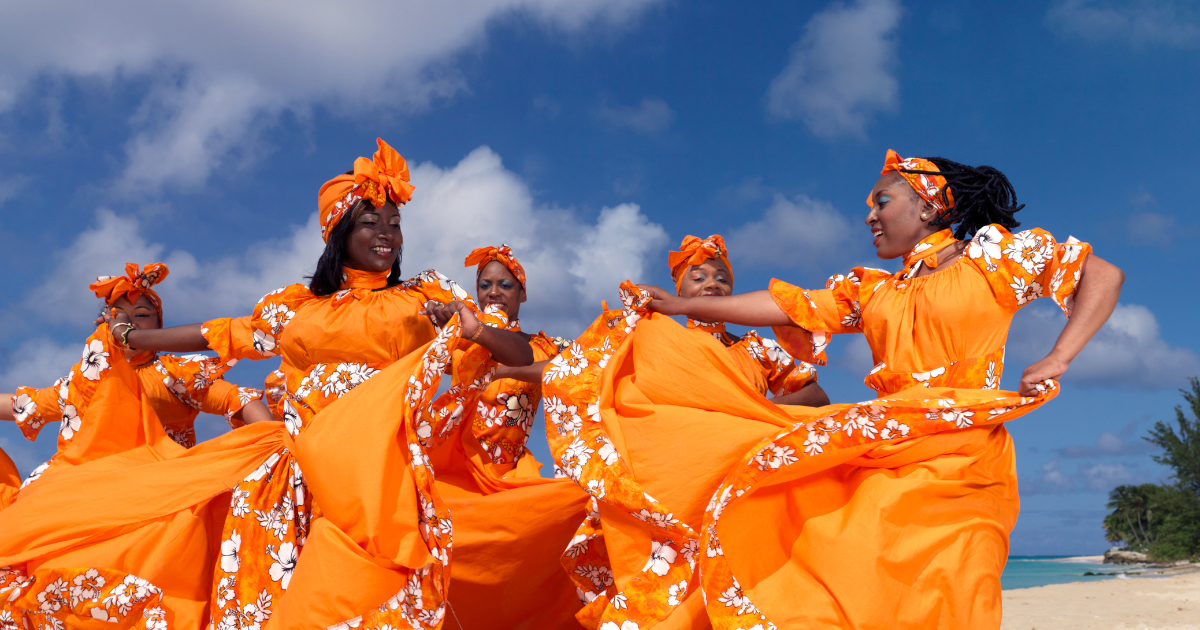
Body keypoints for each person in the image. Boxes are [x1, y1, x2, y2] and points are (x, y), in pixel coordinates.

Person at [541, 149, 1123, 629]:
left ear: (929, 203)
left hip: (966, 454)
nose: (869, 215)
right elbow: (787, 304)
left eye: (882, 201)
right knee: (827, 550)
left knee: (955, 586)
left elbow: (1100, 274)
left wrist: (1058, 355)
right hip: (885, 448)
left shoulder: (992, 256)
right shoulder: (873, 290)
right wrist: (685, 304)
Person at [0, 139, 539, 629]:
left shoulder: (424, 297)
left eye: (394, 223)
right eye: (371, 223)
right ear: (339, 233)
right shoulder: (295, 309)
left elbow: (517, 355)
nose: (387, 235)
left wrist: (477, 331)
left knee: (369, 586)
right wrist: (142, 337)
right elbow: (223, 334)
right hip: (297, 472)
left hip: (379, 467)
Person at [0, 263, 271, 486]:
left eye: (141, 315)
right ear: (103, 323)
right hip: (85, 488)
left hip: (157, 487)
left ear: (159, 328)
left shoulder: (177, 372)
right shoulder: (83, 383)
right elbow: (25, 405)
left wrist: (273, 443)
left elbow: (238, 400)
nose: (128, 323)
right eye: (118, 315)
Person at [668, 234, 828, 406]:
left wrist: (755, 410)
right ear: (678, 287)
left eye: (721, 279)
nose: (712, 284)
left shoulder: (760, 350)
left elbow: (816, 397)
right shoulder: (666, 345)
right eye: (698, 278)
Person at [460, 244, 571, 469]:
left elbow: (588, 362)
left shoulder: (546, 347)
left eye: (505, 285)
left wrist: (504, 371)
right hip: (461, 472)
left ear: (523, 294)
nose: (493, 292)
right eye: (485, 285)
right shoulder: (461, 340)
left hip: (511, 476)